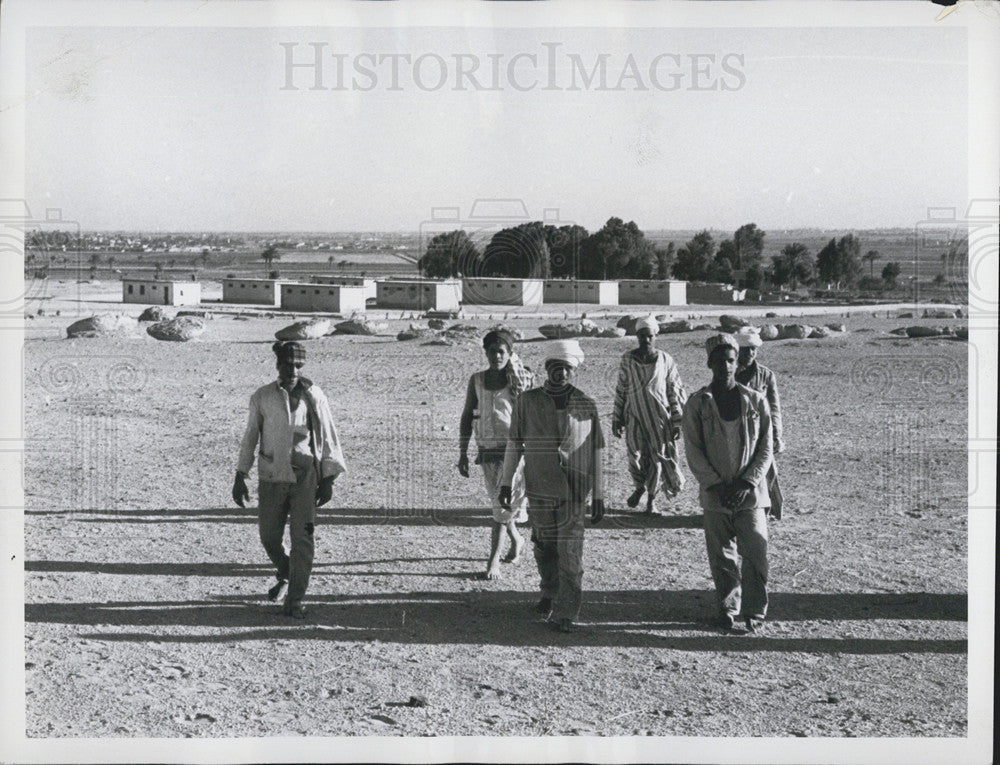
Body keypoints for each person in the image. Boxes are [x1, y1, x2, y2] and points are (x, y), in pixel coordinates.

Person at [232, 341, 346, 619]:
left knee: (302, 539)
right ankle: (284, 569)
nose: (293, 370)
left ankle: (294, 599)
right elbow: (251, 436)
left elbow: (328, 435)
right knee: (268, 536)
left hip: (306, 478)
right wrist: (240, 474)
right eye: (287, 364)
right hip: (272, 476)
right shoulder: (263, 397)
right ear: (277, 365)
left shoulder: (314, 395)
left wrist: (328, 477)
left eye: (298, 365)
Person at [499, 339, 605, 633]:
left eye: (567, 368)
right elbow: (514, 444)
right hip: (540, 487)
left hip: (574, 492)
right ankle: (549, 592)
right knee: (544, 547)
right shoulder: (527, 402)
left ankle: (567, 611)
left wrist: (599, 495)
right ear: (547, 368)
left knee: (570, 553)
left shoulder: (586, 405)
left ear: (574, 370)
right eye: (555, 367)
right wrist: (506, 483)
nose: (561, 374)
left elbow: (596, 450)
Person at [682, 333, 773, 634]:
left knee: (756, 553)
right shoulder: (697, 403)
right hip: (715, 495)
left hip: (751, 495)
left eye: (730, 360)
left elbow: (765, 448)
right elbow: (693, 450)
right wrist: (716, 484)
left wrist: (748, 482)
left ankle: (755, 610)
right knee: (721, 558)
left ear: (737, 363)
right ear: (709, 363)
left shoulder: (755, 401)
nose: (725, 366)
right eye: (719, 360)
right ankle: (727, 608)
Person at [458, 329, 534, 580]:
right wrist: (462, 452)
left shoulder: (517, 382)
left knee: (502, 507)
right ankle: (517, 540)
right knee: (499, 505)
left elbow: (527, 418)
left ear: (510, 354)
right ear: (486, 353)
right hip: (486, 453)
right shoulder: (477, 380)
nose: (496, 356)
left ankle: (493, 562)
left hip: (513, 453)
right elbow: (468, 415)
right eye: (492, 351)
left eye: (501, 352)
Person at [611, 315, 687, 515]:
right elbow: (621, 389)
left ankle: (651, 500)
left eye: (650, 336)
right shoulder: (628, 358)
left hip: (659, 418)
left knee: (656, 458)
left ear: (655, 336)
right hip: (634, 415)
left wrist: (677, 421)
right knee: (634, 455)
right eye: (642, 336)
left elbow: (674, 390)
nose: (646, 340)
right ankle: (639, 486)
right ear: (637, 336)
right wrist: (617, 417)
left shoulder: (665, 359)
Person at [733, 326, 784, 518]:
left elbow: (774, 407)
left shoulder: (766, 375)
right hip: (736, 431)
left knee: (765, 470)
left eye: (753, 349)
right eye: (745, 350)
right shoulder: (728, 373)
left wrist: (777, 434)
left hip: (761, 432)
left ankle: (767, 508)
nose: (750, 353)